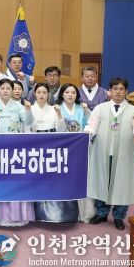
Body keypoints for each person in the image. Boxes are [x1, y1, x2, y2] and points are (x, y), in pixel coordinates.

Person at [85, 77, 134, 230]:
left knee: (122, 184)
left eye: (121, 89)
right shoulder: (100, 108)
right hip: (102, 153)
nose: (118, 92)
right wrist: (87, 133)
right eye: (115, 89)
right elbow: (91, 126)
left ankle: (119, 216)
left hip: (124, 155)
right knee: (101, 181)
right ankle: (102, 213)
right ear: (110, 91)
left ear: (126, 92)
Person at [29, 83, 78, 223]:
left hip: (52, 145)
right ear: (35, 94)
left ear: (48, 95)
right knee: (36, 177)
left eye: (44, 92)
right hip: (35, 145)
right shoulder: (29, 109)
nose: (42, 95)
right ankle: (37, 212)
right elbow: (27, 128)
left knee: (51, 177)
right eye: (39, 92)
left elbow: (61, 129)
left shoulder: (54, 109)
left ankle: (55, 213)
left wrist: (59, 115)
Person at [0, 79, 35, 227]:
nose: (5, 91)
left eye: (8, 88)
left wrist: (28, 110)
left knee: (15, 182)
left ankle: (17, 216)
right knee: (0, 182)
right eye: (2, 88)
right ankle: (1, 217)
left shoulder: (18, 106)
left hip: (15, 149)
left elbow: (28, 121)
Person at [56, 82, 95, 222]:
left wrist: (86, 112)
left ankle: (85, 213)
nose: (70, 95)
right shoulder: (57, 108)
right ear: (62, 94)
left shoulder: (81, 108)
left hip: (80, 148)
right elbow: (59, 129)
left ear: (77, 95)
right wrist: (59, 115)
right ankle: (66, 212)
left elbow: (89, 125)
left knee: (82, 178)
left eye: (73, 92)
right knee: (65, 178)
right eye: (67, 92)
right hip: (64, 148)